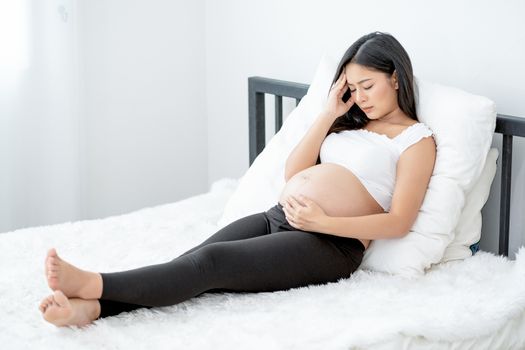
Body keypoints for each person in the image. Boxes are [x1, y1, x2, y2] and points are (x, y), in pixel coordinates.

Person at [39, 31, 436, 327]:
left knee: (211, 264)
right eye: (352, 88)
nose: (360, 97)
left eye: (367, 86)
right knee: (190, 262)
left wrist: (324, 222)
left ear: (396, 78)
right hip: (278, 216)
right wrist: (329, 114)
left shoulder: (415, 141)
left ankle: (93, 283)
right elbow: (294, 173)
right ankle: (93, 309)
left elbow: (399, 222)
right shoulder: (346, 125)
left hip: (330, 243)